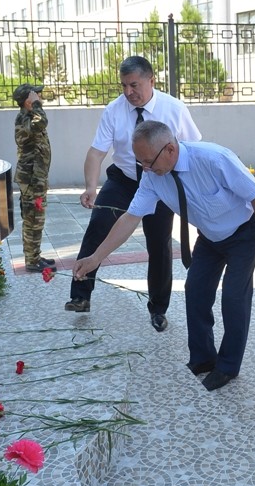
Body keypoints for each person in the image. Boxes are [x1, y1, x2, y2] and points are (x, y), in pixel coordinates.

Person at [72, 121, 255, 390]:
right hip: (210, 238)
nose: (145, 168)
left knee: (234, 297)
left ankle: (227, 367)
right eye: (140, 162)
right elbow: (130, 218)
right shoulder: (152, 177)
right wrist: (96, 257)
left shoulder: (214, 159)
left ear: (169, 149)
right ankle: (203, 359)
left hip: (242, 234)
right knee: (195, 291)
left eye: (148, 161)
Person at [66, 56, 201, 333]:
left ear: (152, 80)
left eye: (134, 85)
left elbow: (194, 148)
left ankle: (158, 308)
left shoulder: (173, 108)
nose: (128, 92)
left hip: (160, 179)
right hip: (125, 179)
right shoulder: (115, 110)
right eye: (124, 86)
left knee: (159, 243)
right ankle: (80, 295)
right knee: (98, 226)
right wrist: (91, 185)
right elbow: (96, 152)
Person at [13, 83, 55, 272]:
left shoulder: (29, 116)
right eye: (36, 95)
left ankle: (34, 256)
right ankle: (31, 260)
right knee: (33, 219)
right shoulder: (25, 119)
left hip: (36, 178)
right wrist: (36, 105)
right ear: (27, 101)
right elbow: (41, 123)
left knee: (36, 219)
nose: (40, 97)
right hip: (31, 180)